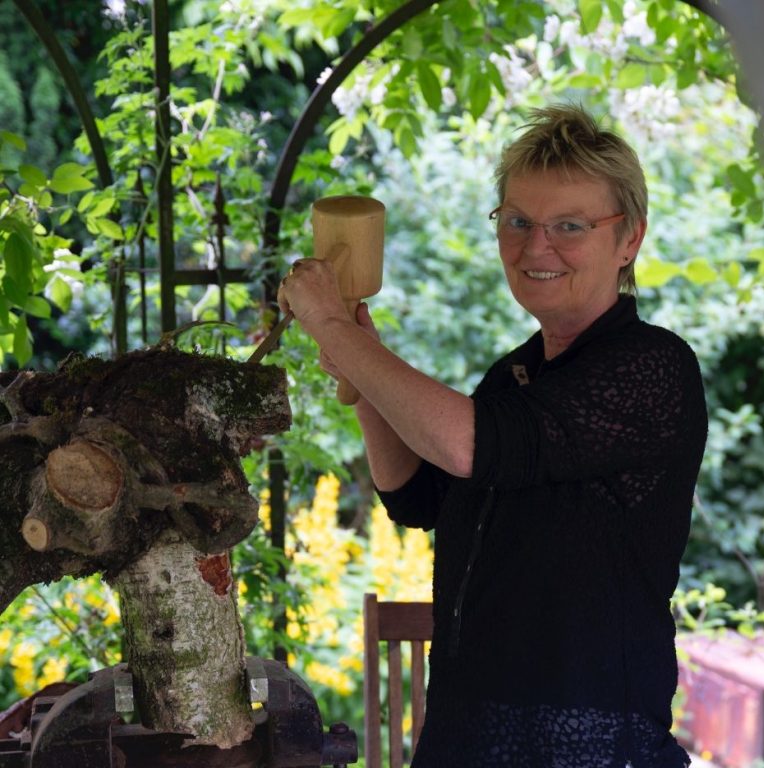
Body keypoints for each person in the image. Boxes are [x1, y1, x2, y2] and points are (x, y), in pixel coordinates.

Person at [277, 104, 708, 768]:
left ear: (629, 240)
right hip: (465, 737)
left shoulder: (654, 366)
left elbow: (468, 445)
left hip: (589, 748)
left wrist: (333, 328)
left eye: (570, 225)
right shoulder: (514, 377)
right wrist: (358, 355)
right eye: (517, 222)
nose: (537, 247)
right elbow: (418, 495)